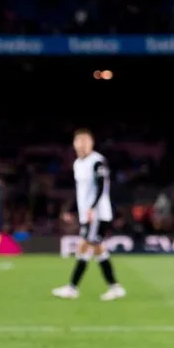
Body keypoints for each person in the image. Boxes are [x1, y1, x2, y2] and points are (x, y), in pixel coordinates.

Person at [52, 128, 126, 301]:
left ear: (91, 143)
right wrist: (71, 210)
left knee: (84, 247)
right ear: (74, 144)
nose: (82, 144)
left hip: (98, 214)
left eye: (86, 140)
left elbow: (101, 187)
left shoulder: (97, 162)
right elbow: (80, 191)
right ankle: (114, 287)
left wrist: (92, 207)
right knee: (98, 249)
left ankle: (72, 287)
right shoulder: (77, 164)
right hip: (87, 214)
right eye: (79, 140)